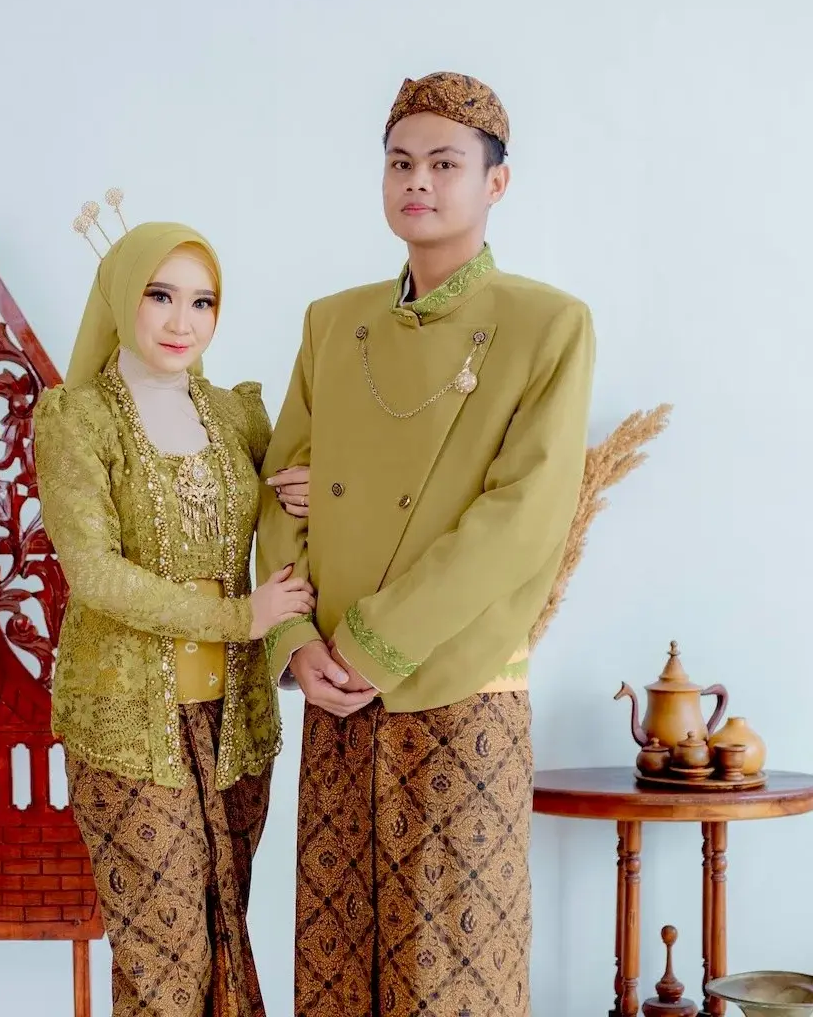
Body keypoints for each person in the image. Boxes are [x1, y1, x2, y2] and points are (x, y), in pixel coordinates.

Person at [256, 72, 596, 1016]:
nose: (418, 181)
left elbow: (521, 515)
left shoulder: (548, 324)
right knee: (335, 972)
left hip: (459, 688)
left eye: (446, 164)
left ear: (496, 183)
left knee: (450, 977)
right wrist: (295, 641)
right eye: (401, 162)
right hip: (333, 692)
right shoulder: (334, 322)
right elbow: (283, 489)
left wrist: (371, 645)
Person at [33, 212, 313, 1017]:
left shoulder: (238, 415)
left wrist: (307, 490)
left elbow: (289, 515)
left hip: (234, 726)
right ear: (122, 296)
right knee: (165, 956)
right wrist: (240, 619)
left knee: (223, 933)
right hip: (129, 724)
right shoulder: (78, 418)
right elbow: (94, 574)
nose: (181, 321)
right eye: (160, 295)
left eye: (202, 301)